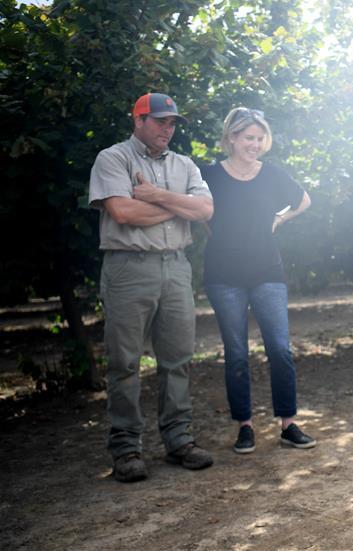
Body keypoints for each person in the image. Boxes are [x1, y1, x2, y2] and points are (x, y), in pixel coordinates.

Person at [89, 92, 215, 482]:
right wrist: (179, 206)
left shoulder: (185, 164)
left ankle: (179, 441)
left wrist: (156, 196)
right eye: (160, 121)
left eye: (172, 122)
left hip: (176, 268)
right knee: (124, 362)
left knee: (177, 359)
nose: (167, 128)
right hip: (128, 269)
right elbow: (123, 212)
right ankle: (126, 449)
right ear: (138, 119)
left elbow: (206, 211)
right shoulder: (113, 158)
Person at [200, 107, 316, 454]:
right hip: (224, 276)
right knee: (236, 353)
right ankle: (245, 426)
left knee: (280, 349)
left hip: (268, 272)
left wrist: (280, 218)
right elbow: (203, 216)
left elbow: (304, 200)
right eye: (248, 137)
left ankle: (288, 424)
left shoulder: (272, 174)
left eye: (259, 138)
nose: (254, 144)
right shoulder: (209, 175)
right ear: (232, 138)